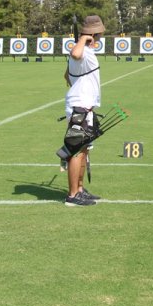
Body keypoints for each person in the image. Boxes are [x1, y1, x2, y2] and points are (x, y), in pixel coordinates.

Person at [61, 15, 105, 207]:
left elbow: (66, 75)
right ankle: (72, 196)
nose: (101, 38)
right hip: (80, 106)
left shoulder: (86, 52)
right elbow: (75, 54)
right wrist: (82, 40)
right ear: (93, 35)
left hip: (85, 105)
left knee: (84, 149)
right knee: (76, 150)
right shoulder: (82, 51)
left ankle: (79, 189)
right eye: (99, 35)